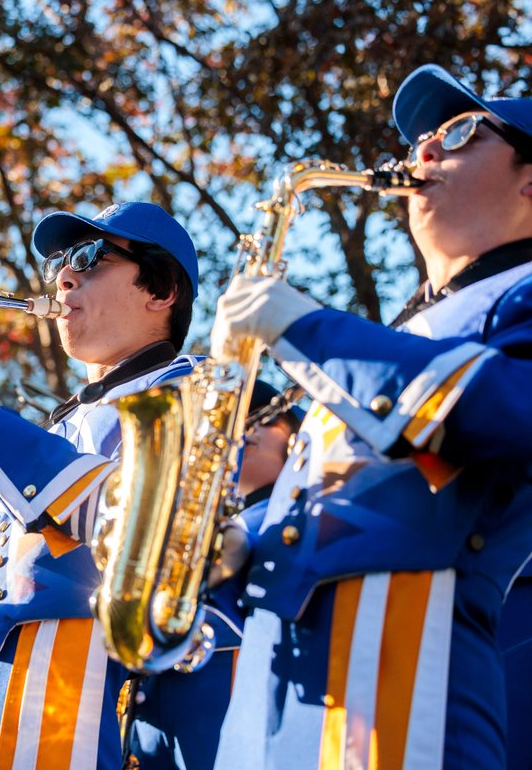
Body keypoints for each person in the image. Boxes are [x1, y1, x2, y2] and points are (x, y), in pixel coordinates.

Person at [208, 64, 532, 768]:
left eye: (462, 131)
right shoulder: (407, 330)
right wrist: (241, 551)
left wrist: (310, 329)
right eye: (422, 137)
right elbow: (342, 495)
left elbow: (510, 413)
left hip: (407, 677)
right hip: (283, 693)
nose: (423, 150)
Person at [0, 201, 201, 769]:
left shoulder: (189, 394)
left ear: (161, 292)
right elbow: (6, 599)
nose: (63, 276)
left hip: (61, 718)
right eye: (61, 263)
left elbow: (133, 516)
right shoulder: (61, 427)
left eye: (90, 258)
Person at [126, 380, 303, 770]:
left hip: (227, 716)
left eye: (262, 419)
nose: (244, 432)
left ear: (295, 437)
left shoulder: (293, 517)